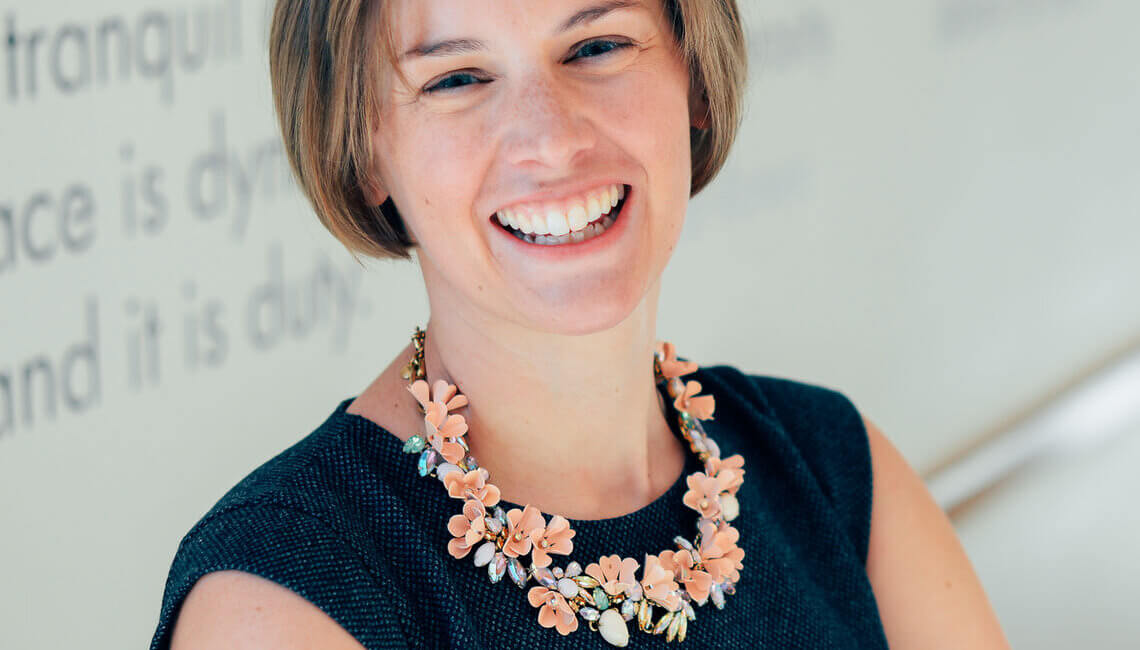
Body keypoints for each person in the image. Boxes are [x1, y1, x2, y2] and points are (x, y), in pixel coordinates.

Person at [150, 1, 1009, 648]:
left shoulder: (834, 470)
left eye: (596, 46)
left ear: (694, 78)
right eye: (457, 78)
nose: (551, 140)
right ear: (365, 150)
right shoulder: (284, 595)